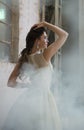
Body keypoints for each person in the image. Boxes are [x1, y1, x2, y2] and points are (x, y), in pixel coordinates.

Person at [2, 21, 68, 130]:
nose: (47, 41)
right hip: (44, 99)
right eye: (45, 38)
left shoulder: (24, 58)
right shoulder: (45, 55)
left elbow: (10, 82)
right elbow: (64, 35)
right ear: (37, 40)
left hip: (28, 98)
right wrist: (45, 24)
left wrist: (27, 86)